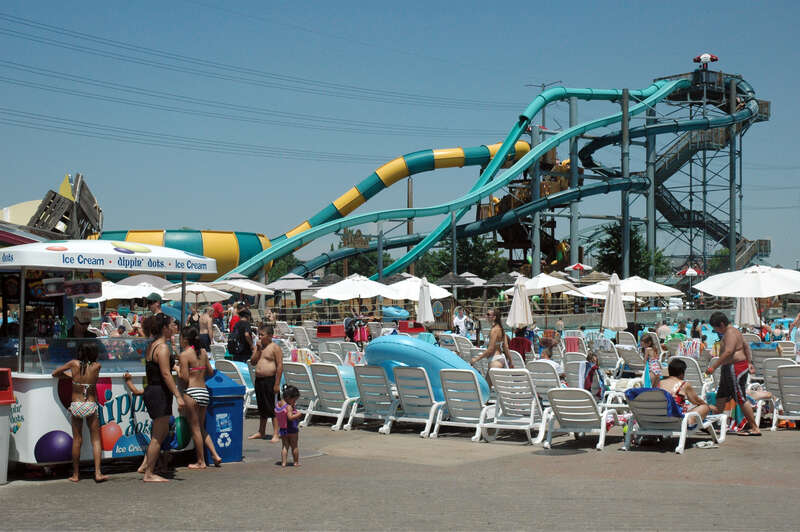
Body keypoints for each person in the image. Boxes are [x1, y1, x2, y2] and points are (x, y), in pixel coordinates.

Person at [51, 342, 108, 483]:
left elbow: (55, 373)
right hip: (90, 404)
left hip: (76, 404)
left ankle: (76, 475)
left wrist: (70, 376)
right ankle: (98, 473)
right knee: (96, 440)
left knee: (77, 440)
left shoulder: (73, 364)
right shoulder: (97, 367)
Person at [141, 313, 185, 481]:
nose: (174, 328)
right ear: (164, 328)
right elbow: (166, 374)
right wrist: (178, 395)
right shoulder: (163, 348)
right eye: (172, 325)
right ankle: (149, 473)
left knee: (159, 432)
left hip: (152, 390)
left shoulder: (153, 345)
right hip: (159, 391)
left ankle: (147, 466)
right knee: (158, 436)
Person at [705, 311, 761, 436]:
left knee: (740, 397)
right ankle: (716, 423)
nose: (716, 331)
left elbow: (729, 351)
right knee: (721, 396)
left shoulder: (730, 332)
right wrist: (750, 362)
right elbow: (746, 346)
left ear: (721, 324)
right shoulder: (735, 332)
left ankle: (754, 427)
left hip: (735, 368)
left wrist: (713, 366)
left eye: (716, 328)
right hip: (730, 367)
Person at [177, 326, 222, 468]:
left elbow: (184, 377)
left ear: (184, 339)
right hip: (203, 392)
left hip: (192, 392)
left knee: (195, 428)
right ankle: (215, 455)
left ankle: (201, 461)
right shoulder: (202, 352)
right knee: (202, 428)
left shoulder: (184, 355)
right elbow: (210, 371)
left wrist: (177, 368)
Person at [248, 324, 283, 442]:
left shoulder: (274, 348)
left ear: (269, 336)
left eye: (262, 335)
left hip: (270, 380)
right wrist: (257, 349)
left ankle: (276, 433)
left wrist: (277, 383)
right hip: (259, 380)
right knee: (262, 407)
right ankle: (261, 431)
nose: (259, 337)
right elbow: (253, 362)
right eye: (259, 334)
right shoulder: (259, 347)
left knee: (273, 408)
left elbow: (279, 366)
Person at [471, 309, 512, 387]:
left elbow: (490, 349)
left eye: (488, 314)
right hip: (499, 360)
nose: (486, 316)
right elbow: (506, 347)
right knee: (488, 388)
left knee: (487, 388)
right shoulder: (500, 329)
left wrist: (476, 359)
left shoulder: (494, 330)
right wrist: (510, 361)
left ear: (494, 317)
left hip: (495, 361)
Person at [274, 385, 302, 467]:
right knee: (294, 446)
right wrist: (298, 415)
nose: (295, 402)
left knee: (285, 446)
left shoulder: (279, 404)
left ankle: (283, 463)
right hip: (292, 429)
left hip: (283, 429)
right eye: (294, 400)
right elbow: (290, 417)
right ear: (289, 397)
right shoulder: (289, 407)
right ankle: (296, 462)